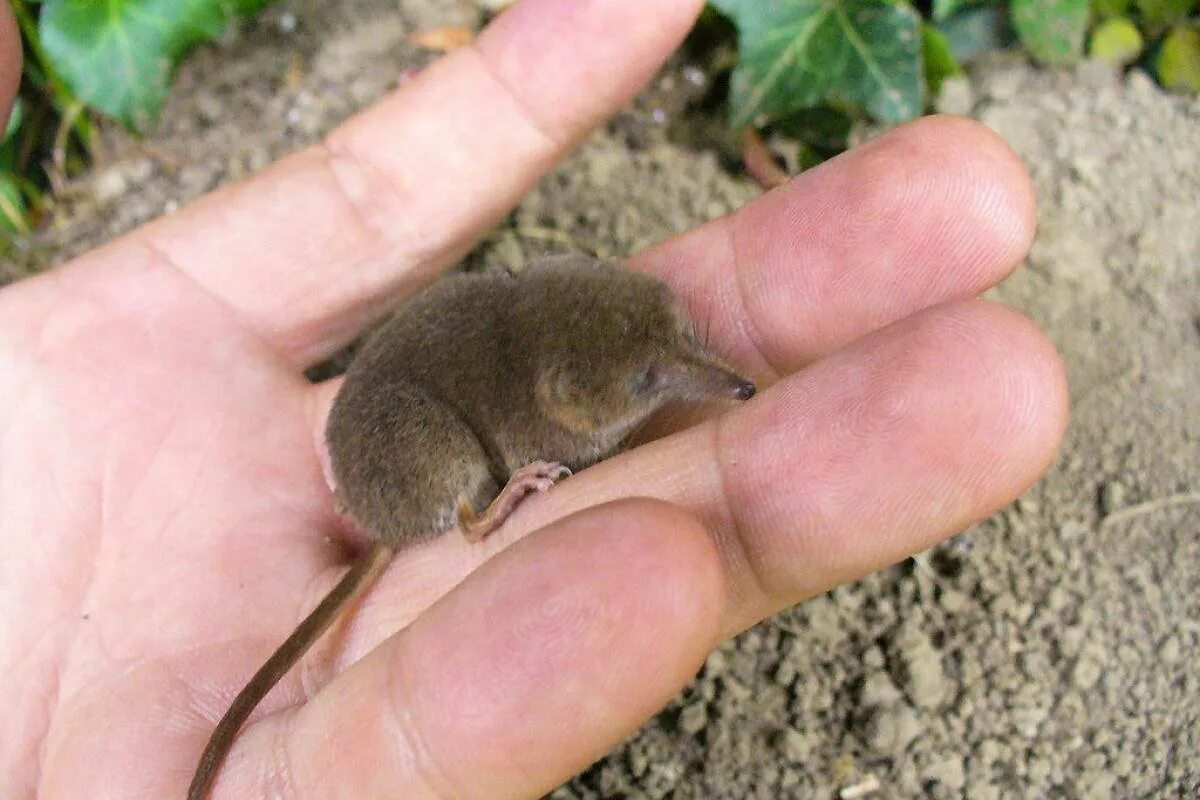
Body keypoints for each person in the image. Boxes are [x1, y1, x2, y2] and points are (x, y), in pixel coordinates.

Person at [0, 1, 1066, 797]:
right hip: (408, 465)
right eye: (657, 379)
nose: (705, 377)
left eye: (675, 349)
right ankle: (475, 513)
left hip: (417, 401)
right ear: (566, 401)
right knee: (473, 475)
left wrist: (674, 369)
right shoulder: (538, 399)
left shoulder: (562, 332)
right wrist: (495, 497)